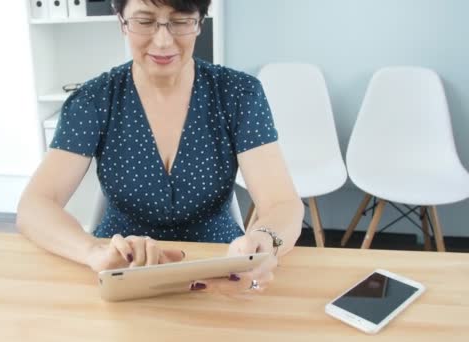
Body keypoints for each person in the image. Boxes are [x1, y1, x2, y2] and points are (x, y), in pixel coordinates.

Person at [17, 0, 304, 293]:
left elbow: (283, 204)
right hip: (122, 269)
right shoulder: (94, 100)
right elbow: (35, 205)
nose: (163, 41)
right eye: (144, 21)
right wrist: (93, 252)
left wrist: (265, 240)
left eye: (180, 21)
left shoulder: (239, 95)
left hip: (220, 266)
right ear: (122, 22)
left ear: (200, 23)